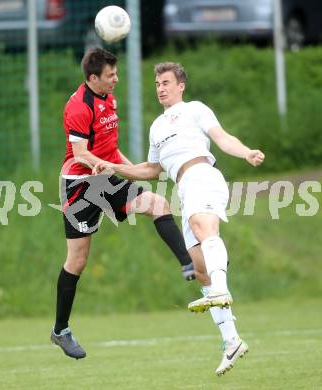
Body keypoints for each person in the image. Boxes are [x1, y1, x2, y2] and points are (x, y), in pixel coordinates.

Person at [94, 62, 265, 375]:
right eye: (157, 83)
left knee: (204, 227)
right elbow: (151, 170)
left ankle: (221, 290)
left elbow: (223, 138)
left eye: (166, 82)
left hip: (203, 174)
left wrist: (246, 152)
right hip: (184, 190)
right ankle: (232, 340)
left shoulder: (195, 110)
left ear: (181, 85)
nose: (160, 88)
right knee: (200, 270)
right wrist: (113, 167)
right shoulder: (156, 127)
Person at [50, 50, 196, 360]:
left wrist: (134, 172)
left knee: (157, 204)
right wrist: (109, 167)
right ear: (93, 78)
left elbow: (111, 150)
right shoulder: (79, 106)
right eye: (110, 75)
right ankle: (60, 330)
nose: (116, 78)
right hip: (79, 187)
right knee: (77, 261)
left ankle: (188, 263)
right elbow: (80, 154)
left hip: (106, 176)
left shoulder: (109, 99)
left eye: (116, 73)